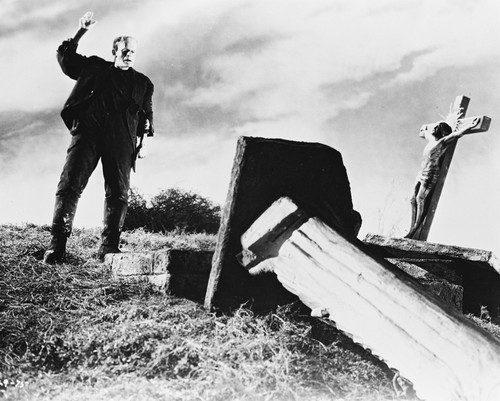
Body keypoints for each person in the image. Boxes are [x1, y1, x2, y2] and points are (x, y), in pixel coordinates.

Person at [43, 11, 154, 263]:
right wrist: (81, 31)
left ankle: (109, 247)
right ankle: (57, 246)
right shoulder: (94, 67)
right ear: (114, 51)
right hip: (88, 133)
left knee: (119, 192)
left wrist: (144, 142)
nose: (129, 54)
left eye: (133, 51)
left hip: (122, 139)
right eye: (124, 50)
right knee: (70, 184)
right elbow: (66, 58)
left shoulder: (143, 83)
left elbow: (146, 116)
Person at [405, 112, 478, 239]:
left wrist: (470, 126)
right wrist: (423, 128)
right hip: (421, 173)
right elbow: (424, 131)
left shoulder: (442, 142)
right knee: (412, 199)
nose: (434, 127)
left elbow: (457, 134)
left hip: (430, 174)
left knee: (420, 199)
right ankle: (412, 227)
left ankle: (414, 230)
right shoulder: (431, 140)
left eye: (438, 127)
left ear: (443, 132)